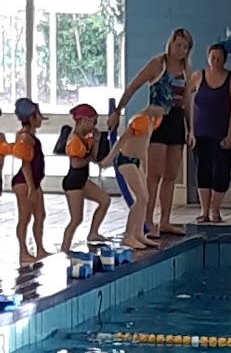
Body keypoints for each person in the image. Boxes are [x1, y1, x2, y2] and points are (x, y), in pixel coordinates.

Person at [107, 27, 194, 238]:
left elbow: (187, 102)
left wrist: (191, 129)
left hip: (176, 122)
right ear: (170, 44)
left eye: (185, 47)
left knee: (171, 175)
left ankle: (165, 221)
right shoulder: (158, 64)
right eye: (178, 45)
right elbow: (133, 86)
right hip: (155, 122)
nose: (181, 50)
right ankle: (147, 221)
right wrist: (118, 111)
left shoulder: (187, 70)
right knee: (153, 175)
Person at [101, 111, 163, 249]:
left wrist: (145, 167)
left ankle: (139, 234)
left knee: (145, 198)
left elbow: (144, 146)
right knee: (140, 198)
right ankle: (129, 236)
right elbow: (122, 139)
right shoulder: (141, 120)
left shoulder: (154, 120)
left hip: (136, 162)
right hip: (125, 161)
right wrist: (110, 158)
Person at [191, 44, 231, 223]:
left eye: (219, 58)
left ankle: (215, 210)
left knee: (221, 172)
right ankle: (204, 211)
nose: (215, 61)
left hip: (221, 134)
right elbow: (183, 96)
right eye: (213, 57)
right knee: (202, 171)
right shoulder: (198, 76)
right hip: (200, 133)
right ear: (207, 58)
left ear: (224, 60)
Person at [61, 104, 111, 253]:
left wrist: (96, 141)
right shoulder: (74, 140)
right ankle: (64, 249)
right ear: (83, 121)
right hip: (73, 184)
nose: (94, 125)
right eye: (93, 122)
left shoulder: (85, 138)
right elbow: (76, 164)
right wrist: (89, 158)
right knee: (76, 219)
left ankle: (93, 233)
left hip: (82, 181)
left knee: (105, 200)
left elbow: (94, 158)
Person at [11, 98, 49, 265]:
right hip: (24, 183)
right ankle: (23, 252)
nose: (41, 118)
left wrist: (35, 186)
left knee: (40, 215)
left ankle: (40, 249)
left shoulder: (29, 134)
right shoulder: (25, 137)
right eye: (39, 115)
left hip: (33, 182)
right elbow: (26, 164)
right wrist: (31, 188)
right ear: (32, 117)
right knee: (25, 217)